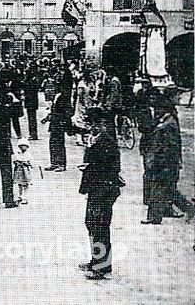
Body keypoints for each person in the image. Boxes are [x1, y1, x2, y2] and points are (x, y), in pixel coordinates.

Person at [78, 107, 122, 280]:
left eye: (94, 124)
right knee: (91, 223)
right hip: (96, 188)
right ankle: (96, 259)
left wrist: (90, 167)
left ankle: (102, 266)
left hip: (103, 189)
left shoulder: (106, 142)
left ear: (101, 123)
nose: (92, 127)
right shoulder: (97, 139)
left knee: (100, 226)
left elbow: (110, 168)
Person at [140, 97, 184, 224]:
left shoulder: (166, 125)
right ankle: (160, 213)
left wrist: (153, 162)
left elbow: (167, 146)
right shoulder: (167, 121)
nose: (156, 111)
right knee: (164, 189)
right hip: (166, 162)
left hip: (163, 163)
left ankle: (154, 216)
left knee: (158, 189)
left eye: (158, 109)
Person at [13, 138, 33, 204]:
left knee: (25, 184)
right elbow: (15, 160)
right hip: (19, 170)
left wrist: (27, 163)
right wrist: (17, 162)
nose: (23, 147)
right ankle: (20, 195)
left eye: (24, 146)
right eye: (21, 146)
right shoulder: (17, 153)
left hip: (25, 171)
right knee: (19, 184)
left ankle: (25, 197)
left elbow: (31, 162)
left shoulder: (28, 154)